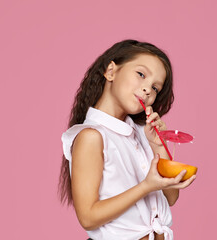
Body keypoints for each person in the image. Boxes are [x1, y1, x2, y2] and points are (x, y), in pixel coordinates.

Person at [58, 39, 196, 240]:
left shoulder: (141, 133)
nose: (148, 89)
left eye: (155, 88)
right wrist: (146, 186)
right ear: (111, 71)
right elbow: (88, 217)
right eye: (141, 74)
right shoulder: (91, 137)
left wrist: (158, 145)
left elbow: (171, 197)